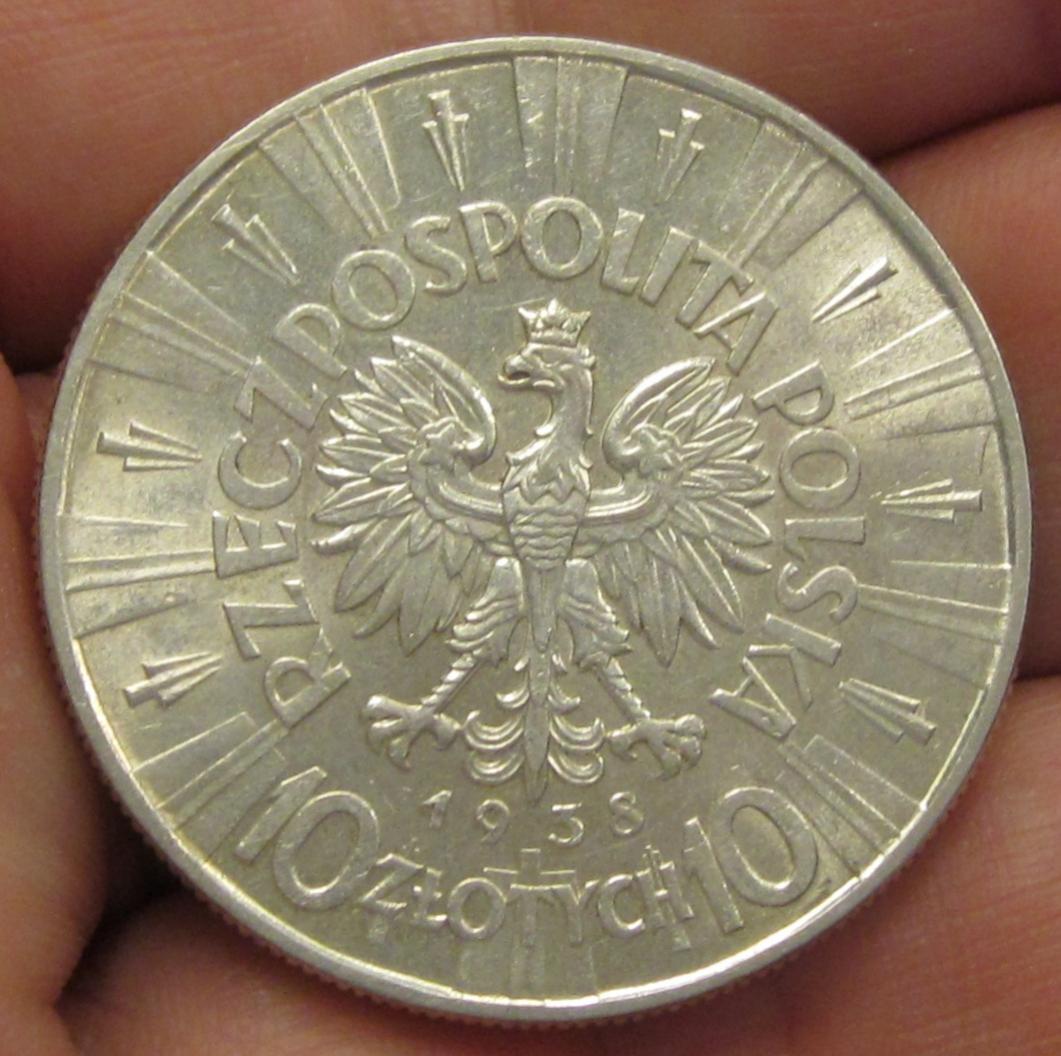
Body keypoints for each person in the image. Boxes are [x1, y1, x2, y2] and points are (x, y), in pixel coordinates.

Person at [1, 2, 1059, 1052]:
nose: (525, 377)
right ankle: (459, 710)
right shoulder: (460, 466)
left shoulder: (634, 473)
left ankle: (601, 717)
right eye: (529, 370)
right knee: (509, 621)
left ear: (571, 385)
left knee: (573, 627)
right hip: (503, 631)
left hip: (575, 628)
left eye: (544, 373)